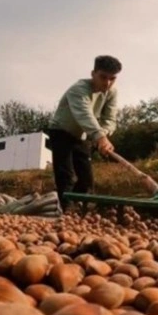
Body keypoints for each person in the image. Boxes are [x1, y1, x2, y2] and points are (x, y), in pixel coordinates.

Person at [46, 55, 121, 210]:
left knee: (86, 179)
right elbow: (84, 115)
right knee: (66, 175)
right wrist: (100, 136)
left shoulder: (111, 92)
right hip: (61, 131)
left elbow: (110, 119)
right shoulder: (78, 90)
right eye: (103, 77)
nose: (107, 83)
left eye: (112, 78)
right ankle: (67, 212)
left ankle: (83, 212)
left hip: (83, 135)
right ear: (93, 73)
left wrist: (103, 136)